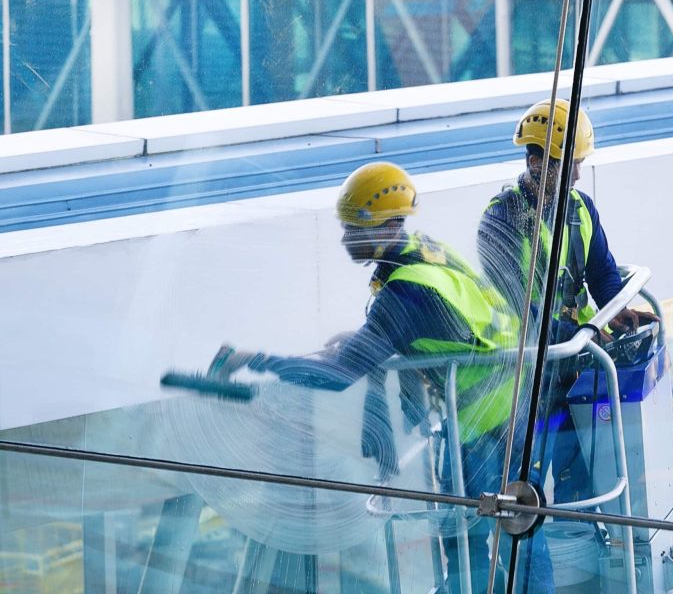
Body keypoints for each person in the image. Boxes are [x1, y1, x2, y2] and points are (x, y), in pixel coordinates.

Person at [210, 161, 552, 594]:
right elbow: (427, 328)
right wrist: (364, 337)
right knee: (512, 532)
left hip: (484, 422)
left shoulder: (405, 291)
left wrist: (255, 360)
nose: (346, 238)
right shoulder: (425, 252)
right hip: (511, 402)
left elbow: (337, 375)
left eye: (356, 228)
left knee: (479, 535)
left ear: (390, 226)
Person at [477, 98, 656, 505]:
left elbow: (603, 275)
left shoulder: (580, 209)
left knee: (582, 471)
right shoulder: (502, 221)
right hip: (528, 377)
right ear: (537, 161)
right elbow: (517, 310)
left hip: (576, 365)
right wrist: (584, 336)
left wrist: (616, 312)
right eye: (569, 162)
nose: (577, 173)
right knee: (528, 483)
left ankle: (580, 539)